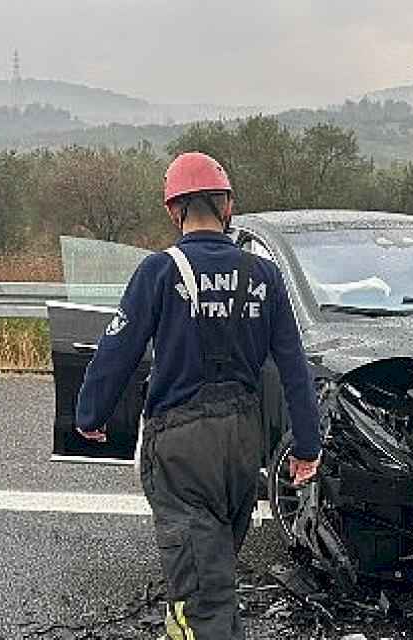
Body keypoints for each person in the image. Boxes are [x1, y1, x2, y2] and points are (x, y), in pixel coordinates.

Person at [73, 151, 322, 640]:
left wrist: (90, 413)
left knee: (202, 588)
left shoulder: (159, 271)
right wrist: (307, 447)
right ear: (227, 206)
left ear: (174, 210)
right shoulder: (264, 276)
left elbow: (117, 350)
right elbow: (294, 367)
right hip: (241, 444)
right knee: (215, 569)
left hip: (182, 446)